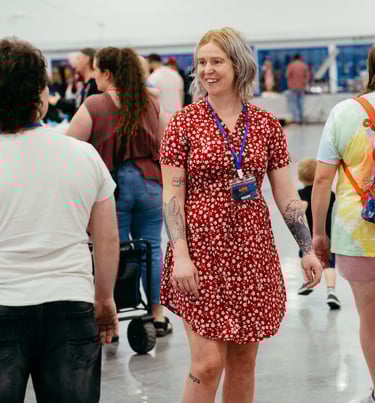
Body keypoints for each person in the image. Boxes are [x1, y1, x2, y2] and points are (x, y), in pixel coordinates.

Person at [160, 27, 322, 403]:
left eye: (217, 61)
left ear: (238, 65)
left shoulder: (265, 124)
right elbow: (172, 196)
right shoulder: (183, 124)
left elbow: (286, 194)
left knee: (244, 362)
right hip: (199, 254)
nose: (207, 70)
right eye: (201, 62)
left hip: (252, 254)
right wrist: (181, 256)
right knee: (206, 364)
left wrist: (306, 247)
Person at [0, 38, 119, 403]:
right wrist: (104, 300)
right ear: (42, 94)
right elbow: (107, 240)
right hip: (70, 304)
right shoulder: (82, 155)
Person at [66, 47, 172, 337]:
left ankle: (111, 318)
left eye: (98, 71)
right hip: (152, 183)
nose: (96, 77)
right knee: (151, 248)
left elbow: (69, 144)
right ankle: (158, 316)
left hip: (114, 187)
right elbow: (166, 144)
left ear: (108, 74)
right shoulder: (150, 103)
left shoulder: (95, 104)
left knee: (114, 250)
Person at [312, 44, 375, 403]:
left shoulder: (345, 112)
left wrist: (319, 232)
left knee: (370, 318)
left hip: (357, 232)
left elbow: (322, 181)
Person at [297, 158, 341, 309]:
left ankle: (307, 281)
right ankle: (331, 291)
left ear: (300, 177)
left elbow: (303, 205)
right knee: (328, 264)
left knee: (305, 259)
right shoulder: (330, 193)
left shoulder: (301, 194)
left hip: (309, 238)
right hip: (327, 236)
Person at [49, 48, 100, 117]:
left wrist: (59, 102)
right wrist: (59, 102)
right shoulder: (87, 85)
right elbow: (77, 107)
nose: (76, 62)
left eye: (78, 58)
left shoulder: (95, 85)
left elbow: (85, 113)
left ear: (86, 59)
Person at [148, 53, 184, 121]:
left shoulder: (153, 77)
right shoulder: (175, 74)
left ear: (151, 63)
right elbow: (181, 93)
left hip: (163, 116)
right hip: (178, 114)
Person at [287, 54, 309, 124]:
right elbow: (307, 76)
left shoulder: (291, 65)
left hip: (293, 87)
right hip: (302, 87)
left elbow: (287, 75)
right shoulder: (304, 65)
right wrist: (304, 82)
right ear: (300, 58)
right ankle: (302, 119)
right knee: (301, 103)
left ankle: (296, 119)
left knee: (294, 103)